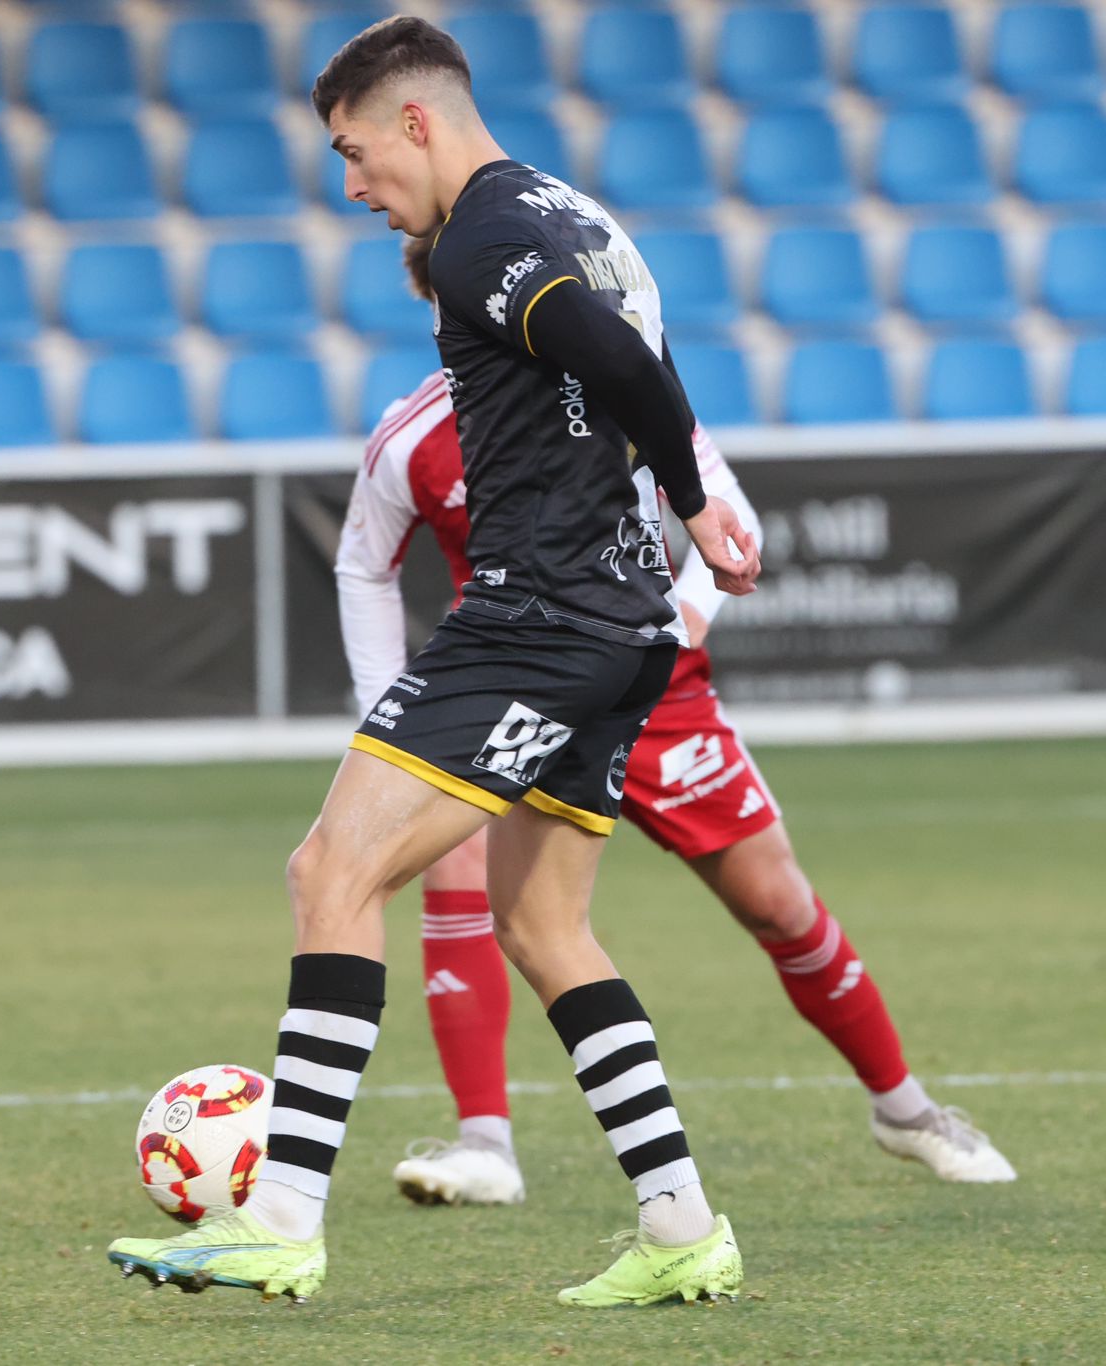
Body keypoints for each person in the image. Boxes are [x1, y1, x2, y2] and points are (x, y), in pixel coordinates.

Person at [105, 16, 762, 1308]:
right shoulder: (578, 211)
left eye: (354, 154)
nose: (354, 188)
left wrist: (691, 495)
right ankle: (683, 1224)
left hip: (539, 616)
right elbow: (644, 336)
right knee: (543, 920)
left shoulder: (474, 236)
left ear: (416, 119)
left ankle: (283, 1212)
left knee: (329, 869)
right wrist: (694, 510)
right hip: (625, 626)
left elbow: (619, 357)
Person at [343, 237, 1016, 1211]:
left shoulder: (611, 379)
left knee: (774, 901)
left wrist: (681, 620)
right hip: (511, 683)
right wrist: (386, 713)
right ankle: (484, 1141)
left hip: (649, 683)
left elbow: (721, 510)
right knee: (455, 872)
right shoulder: (411, 437)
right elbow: (360, 565)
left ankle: (903, 1109)